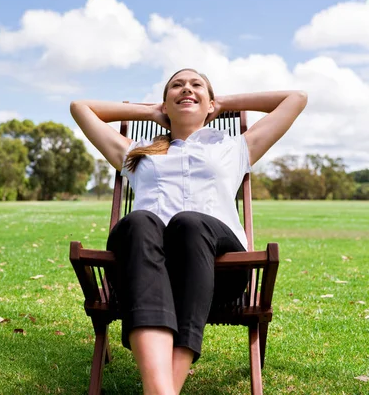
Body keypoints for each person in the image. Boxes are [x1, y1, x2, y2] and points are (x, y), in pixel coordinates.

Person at [70, 68, 307, 395]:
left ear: (210, 103)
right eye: (177, 87)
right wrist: (151, 112)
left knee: (189, 222)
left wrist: (221, 103)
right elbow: (80, 107)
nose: (187, 89)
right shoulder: (136, 153)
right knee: (139, 221)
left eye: (196, 86)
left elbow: (295, 99)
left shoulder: (235, 148)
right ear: (164, 104)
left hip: (221, 271)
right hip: (142, 270)